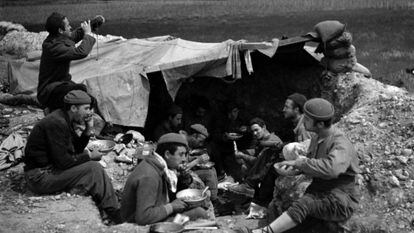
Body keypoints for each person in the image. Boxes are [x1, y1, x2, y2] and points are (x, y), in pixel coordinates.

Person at [253, 98, 361, 233]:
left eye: (308, 119)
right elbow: (312, 164)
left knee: (304, 204)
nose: (303, 121)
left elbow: (331, 169)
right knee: (292, 225)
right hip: (318, 193)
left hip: (340, 199)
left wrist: (301, 163)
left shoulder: (340, 143)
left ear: (320, 124)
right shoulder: (317, 137)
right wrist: (294, 167)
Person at [24, 90, 121, 224]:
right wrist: (89, 156)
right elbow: (64, 163)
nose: (90, 112)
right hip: (40, 177)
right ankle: (114, 212)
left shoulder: (64, 117)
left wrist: (88, 129)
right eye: (86, 108)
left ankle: (107, 204)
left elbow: (75, 150)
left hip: (49, 170)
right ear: (74, 108)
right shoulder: (57, 122)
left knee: (90, 168)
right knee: (94, 168)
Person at [121, 133, 209, 225]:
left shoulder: (161, 167)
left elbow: (167, 193)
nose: (184, 159)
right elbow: (143, 217)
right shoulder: (149, 176)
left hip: (157, 213)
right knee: (199, 214)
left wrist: (184, 179)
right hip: (139, 224)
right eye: (181, 154)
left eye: (185, 154)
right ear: (167, 154)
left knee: (197, 210)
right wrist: (171, 207)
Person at [37, 12, 96, 112]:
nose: (70, 27)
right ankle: (52, 109)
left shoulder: (57, 38)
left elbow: (73, 37)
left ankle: (54, 109)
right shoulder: (54, 47)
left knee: (86, 95)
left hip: (60, 85)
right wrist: (88, 34)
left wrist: (93, 24)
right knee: (81, 93)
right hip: (49, 92)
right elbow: (81, 52)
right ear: (60, 30)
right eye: (68, 25)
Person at [228, 117, 282, 198]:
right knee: (242, 159)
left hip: (269, 175)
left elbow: (257, 161)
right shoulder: (262, 139)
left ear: (264, 127)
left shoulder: (271, 142)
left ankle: (248, 185)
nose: (255, 133)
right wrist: (243, 153)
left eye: (257, 130)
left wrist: (243, 155)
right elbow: (256, 151)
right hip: (262, 171)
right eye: (253, 131)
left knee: (262, 197)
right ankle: (249, 186)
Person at [184, 124, 219, 202]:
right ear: (194, 135)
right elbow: (182, 168)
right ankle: (212, 200)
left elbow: (186, 159)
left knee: (212, 169)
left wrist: (194, 158)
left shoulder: (187, 144)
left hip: (187, 172)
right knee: (209, 174)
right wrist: (198, 160)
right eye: (200, 141)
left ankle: (213, 198)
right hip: (182, 176)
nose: (201, 144)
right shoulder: (182, 144)